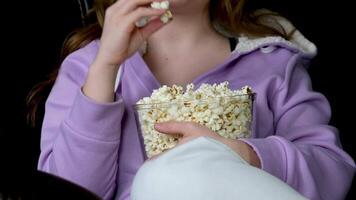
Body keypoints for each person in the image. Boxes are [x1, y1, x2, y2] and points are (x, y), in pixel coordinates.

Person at [27, 0, 355, 199]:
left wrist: (243, 155)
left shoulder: (274, 64)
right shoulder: (88, 69)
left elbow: (332, 172)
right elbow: (66, 192)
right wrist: (105, 69)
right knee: (156, 180)